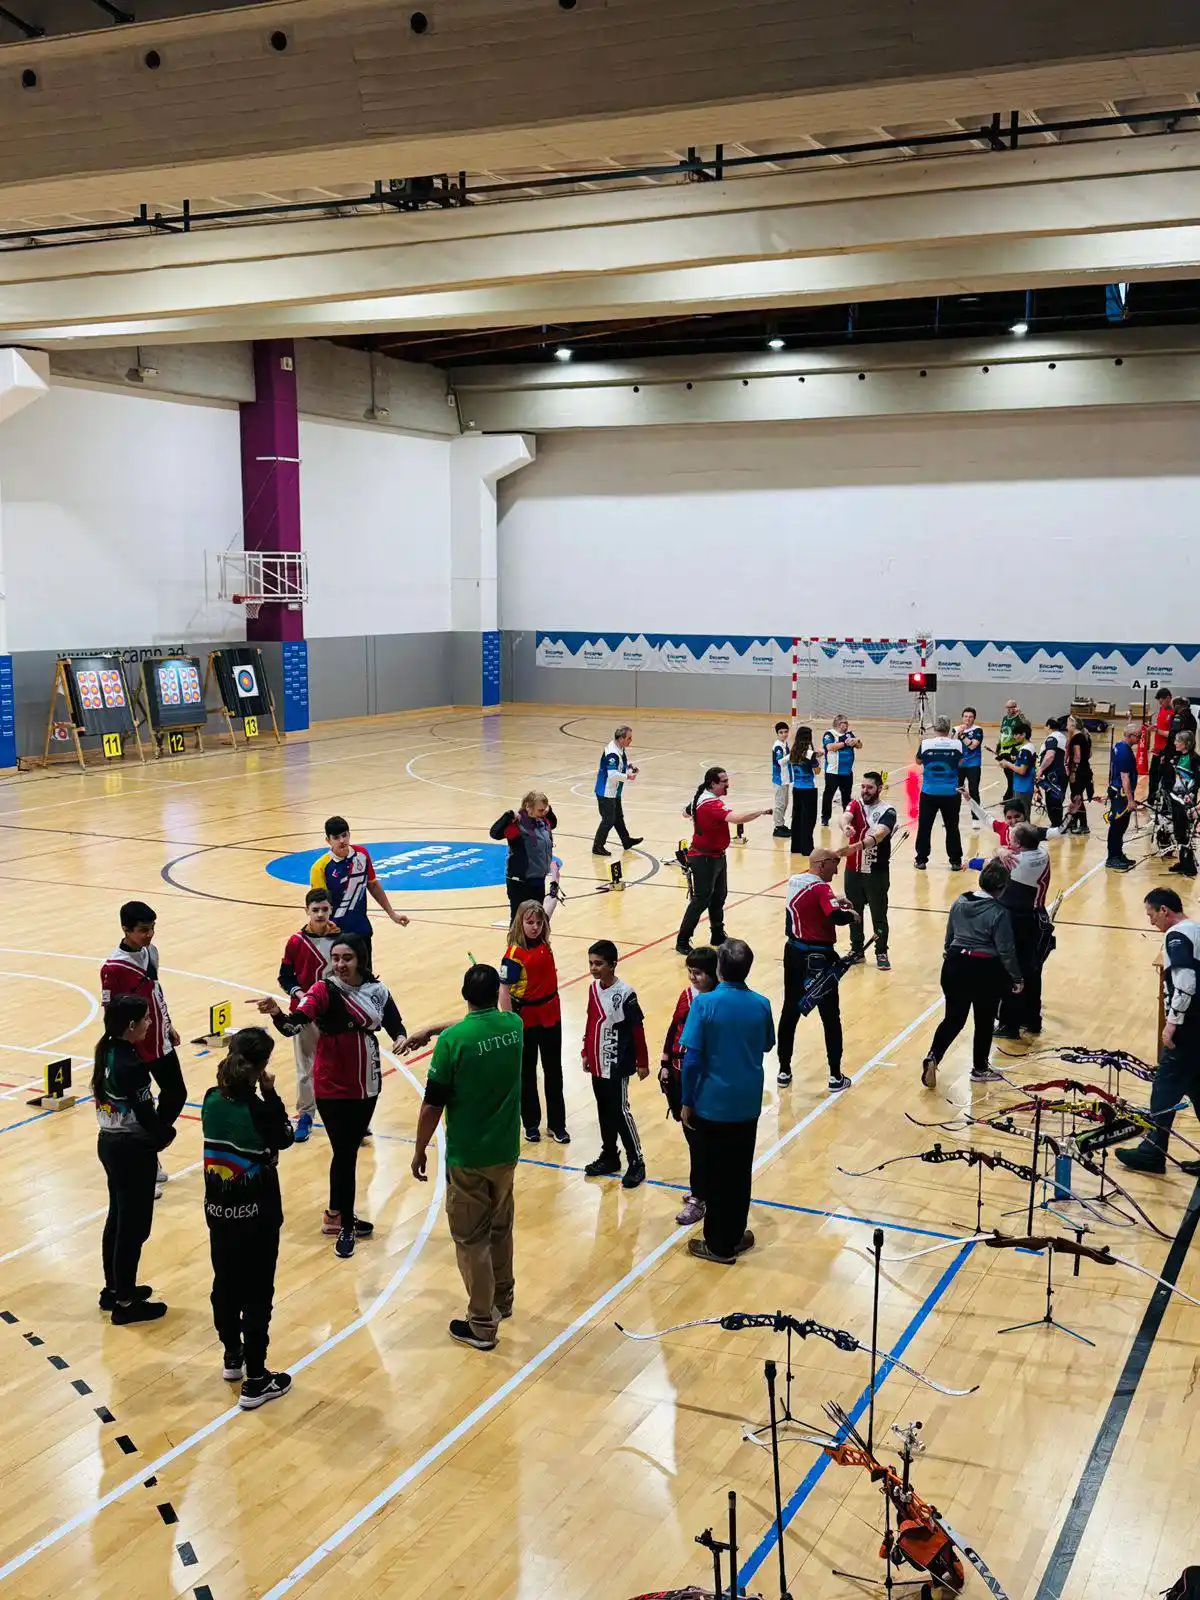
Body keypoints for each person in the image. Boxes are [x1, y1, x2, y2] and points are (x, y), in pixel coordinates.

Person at [254, 932, 405, 1259]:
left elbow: (395, 1022)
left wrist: (402, 1037)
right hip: (332, 1083)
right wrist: (277, 1013)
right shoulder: (323, 990)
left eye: (346, 958)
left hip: (368, 1081)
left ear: (361, 959)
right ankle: (345, 1223)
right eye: (335, 958)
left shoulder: (377, 989)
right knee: (346, 1152)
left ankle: (335, 1215)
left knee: (347, 1152)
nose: (339, 964)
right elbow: (292, 1027)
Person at [405, 964, 523, 1351]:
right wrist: (434, 1029)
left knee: (472, 1240)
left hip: (468, 1156)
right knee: (500, 1228)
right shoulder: (514, 1027)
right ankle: (502, 1300)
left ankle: (482, 1324)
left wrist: (420, 1149)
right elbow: (485, 1022)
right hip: (506, 1153)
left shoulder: (453, 1043)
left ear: (464, 994)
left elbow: (431, 1105)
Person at [202, 1026, 295, 1409]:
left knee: (225, 1285)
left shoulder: (210, 1100)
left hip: (219, 1211)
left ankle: (232, 1355)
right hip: (258, 1214)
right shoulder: (259, 1110)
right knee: (257, 1294)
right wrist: (271, 1093)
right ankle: (256, 1380)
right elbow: (285, 1136)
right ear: (261, 1067)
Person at [680, 940, 775, 1265]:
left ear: (719, 968)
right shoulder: (761, 1004)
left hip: (713, 1105)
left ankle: (719, 1246)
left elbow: (692, 1060)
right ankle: (734, 1234)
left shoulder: (704, 1005)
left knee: (716, 1175)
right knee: (739, 1173)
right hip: (747, 1104)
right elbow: (767, 1044)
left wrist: (687, 1100)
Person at [93, 995, 175, 1324]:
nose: (149, 1023)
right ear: (131, 1025)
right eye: (145, 1019)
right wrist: (165, 1135)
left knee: (118, 1218)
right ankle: (125, 1304)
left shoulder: (107, 1049)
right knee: (133, 1228)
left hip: (109, 1142)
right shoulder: (131, 1064)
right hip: (131, 1148)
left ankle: (114, 1289)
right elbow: (145, 1113)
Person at [101, 900, 184, 1190]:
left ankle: (149, 1150)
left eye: (152, 929)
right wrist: (122, 1045)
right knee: (140, 1107)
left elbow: (156, 991)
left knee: (176, 1094)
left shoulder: (152, 953)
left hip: (159, 1037)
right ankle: (142, 1162)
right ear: (125, 930)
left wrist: (168, 1024)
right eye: (143, 930)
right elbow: (111, 1012)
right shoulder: (113, 967)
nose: (149, 935)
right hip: (135, 1044)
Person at [1116, 888, 1200, 1175]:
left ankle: (1152, 1152)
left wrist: (1172, 1023)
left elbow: (1186, 982)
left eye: (1151, 915)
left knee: (1164, 1088)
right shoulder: (1195, 929)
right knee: (1198, 1087)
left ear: (1165, 910)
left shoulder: (1176, 936)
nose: (1151, 921)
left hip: (1189, 1027)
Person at [920, 859, 1022, 1089]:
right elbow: (1006, 950)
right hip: (985, 970)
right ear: (1002, 888)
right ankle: (979, 1069)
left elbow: (950, 934)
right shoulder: (999, 912)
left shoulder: (960, 901)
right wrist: (1016, 977)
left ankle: (934, 1055)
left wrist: (949, 951)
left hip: (955, 964)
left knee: (953, 1019)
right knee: (984, 1021)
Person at [776, 846, 857, 1092]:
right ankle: (835, 1076)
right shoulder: (822, 888)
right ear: (822, 864)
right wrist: (851, 915)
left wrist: (835, 901)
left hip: (793, 953)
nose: (837, 869)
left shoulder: (796, 881)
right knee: (830, 1016)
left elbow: (812, 904)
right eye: (835, 863)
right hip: (820, 958)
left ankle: (783, 1071)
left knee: (790, 1011)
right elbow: (835, 916)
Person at [675, 767, 771, 957]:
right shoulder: (710, 803)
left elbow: (685, 813)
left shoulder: (701, 798)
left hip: (716, 855)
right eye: (724, 781)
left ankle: (717, 935)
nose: (728, 784)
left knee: (719, 896)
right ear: (713, 784)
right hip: (704, 858)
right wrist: (759, 812)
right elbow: (736, 818)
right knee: (701, 900)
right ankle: (682, 940)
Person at [580, 940, 649, 1188]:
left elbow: (637, 1029)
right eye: (591, 963)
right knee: (603, 1109)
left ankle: (636, 1161)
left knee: (620, 1111)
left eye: (598, 963)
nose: (593, 968)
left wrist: (642, 1061)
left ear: (612, 965)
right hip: (597, 1061)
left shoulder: (626, 994)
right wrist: (585, 1051)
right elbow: (591, 1021)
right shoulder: (593, 990)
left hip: (617, 1062)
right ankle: (609, 1155)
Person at [659, 945, 719, 1226]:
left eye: (698, 973)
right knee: (691, 1135)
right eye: (690, 972)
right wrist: (664, 1062)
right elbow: (673, 1028)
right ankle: (703, 1189)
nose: (693, 978)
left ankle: (700, 1196)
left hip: (701, 1081)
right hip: (678, 1074)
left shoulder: (717, 1002)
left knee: (699, 1141)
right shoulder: (686, 996)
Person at [499, 899, 567, 1144]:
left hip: (551, 1015)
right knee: (527, 1073)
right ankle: (530, 1124)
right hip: (526, 1020)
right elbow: (504, 991)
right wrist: (510, 1024)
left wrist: (554, 883)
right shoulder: (513, 956)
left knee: (554, 1071)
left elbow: (549, 907)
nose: (535, 926)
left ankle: (557, 1125)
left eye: (539, 922)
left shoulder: (544, 941)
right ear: (520, 923)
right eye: (530, 922)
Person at [277, 887, 339, 1142]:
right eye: (315, 910)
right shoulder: (295, 942)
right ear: (307, 911)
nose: (320, 914)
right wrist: (301, 994)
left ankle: (345, 1116)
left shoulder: (342, 938)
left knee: (338, 1066)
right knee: (306, 1067)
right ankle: (305, 1115)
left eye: (324, 909)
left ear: (331, 909)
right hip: (303, 1012)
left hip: (334, 1012)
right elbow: (285, 977)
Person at [309, 815, 409, 966]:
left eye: (344, 835)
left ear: (349, 834)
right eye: (336, 837)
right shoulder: (320, 867)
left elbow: (373, 884)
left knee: (366, 975)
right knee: (339, 978)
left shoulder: (362, 854)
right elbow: (319, 907)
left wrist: (392, 914)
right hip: (335, 936)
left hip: (361, 930)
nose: (342, 840)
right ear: (328, 840)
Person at [993, 822, 1055, 1040]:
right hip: (1037, 920)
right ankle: (1032, 1020)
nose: (1008, 840)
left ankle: (1009, 1025)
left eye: (1011, 838)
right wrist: (1003, 850)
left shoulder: (1017, 862)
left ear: (1018, 844)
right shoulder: (1041, 853)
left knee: (1011, 971)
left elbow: (987, 868)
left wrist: (999, 852)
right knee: (1032, 972)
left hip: (1019, 922)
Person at [842, 771, 897, 972]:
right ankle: (856, 950)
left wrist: (856, 846)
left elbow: (880, 834)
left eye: (870, 787)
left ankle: (881, 951)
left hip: (876, 871)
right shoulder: (855, 804)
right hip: (853, 870)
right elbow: (845, 817)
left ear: (879, 789)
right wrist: (846, 827)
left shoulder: (888, 811)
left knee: (879, 914)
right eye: (863, 787)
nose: (865, 791)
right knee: (853, 912)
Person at [490, 791, 558, 917]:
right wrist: (508, 816)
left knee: (537, 918)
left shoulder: (543, 822)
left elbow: (553, 823)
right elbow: (495, 833)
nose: (543, 813)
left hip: (539, 880)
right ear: (528, 807)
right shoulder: (518, 825)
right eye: (541, 810)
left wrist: (548, 811)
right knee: (518, 920)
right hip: (520, 883)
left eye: (545, 810)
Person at [914, 716, 964, 870]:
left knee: (925, 826)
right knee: (952, 826)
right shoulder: (957, 744)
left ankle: (921, 860)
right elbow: (961, 762)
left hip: (929, 792)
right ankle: (955, 861)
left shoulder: (925, 744)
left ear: (935, 729)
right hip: (951, 793)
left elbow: (918, 761)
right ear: (949, 729)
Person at [592, 726, 643, 856]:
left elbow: (620, 765)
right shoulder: (612, 754)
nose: (631, 740)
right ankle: (597, 846)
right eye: (629, 738)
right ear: (621, 738)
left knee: (618, 817)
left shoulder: (619, 748)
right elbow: (612, 774)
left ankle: (626, 841)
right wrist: (628, 776)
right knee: (608, 820)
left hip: (614, 791)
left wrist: (629, 768)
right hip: (606, 792)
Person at [1106, 721, 1141, 872]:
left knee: (1122, 826)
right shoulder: (1125, 753)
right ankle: (1112, 857)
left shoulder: (1119, 746)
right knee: (1117, 826)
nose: (1140, 739)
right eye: (1138, 736)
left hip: (1118, 792)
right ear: (1130, 735)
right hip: (1121, 795)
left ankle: (1118, 854)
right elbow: (1124, 777)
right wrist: (1130, 801)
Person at [820, 714, 861, 827]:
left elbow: (859, 746)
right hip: (833, 772)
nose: (847, 725)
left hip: (847, 772)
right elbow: (829, 747)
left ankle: (847, 818)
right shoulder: (829, 734)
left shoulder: (849, 734)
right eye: (845, 723)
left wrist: (856, 742)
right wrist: (844, 743)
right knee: (829, 795)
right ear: (838, 724)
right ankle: (825, 818)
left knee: (846, 796)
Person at [1169, 730, 1199, 878]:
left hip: (1186, 801)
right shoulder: (1179, 756)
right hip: (1176, 798)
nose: (1175, 743)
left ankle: (1190, 866)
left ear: (1186, 744)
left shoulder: (1195, 759)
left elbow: (1197, 780)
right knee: (1178, 832)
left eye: (1178, 741)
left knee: (1185, 832)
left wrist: (1191, 795)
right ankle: (1183, 861)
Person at [789, 725, 821, 856]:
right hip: (808, 790)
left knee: (797, 818)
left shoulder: (793, 751)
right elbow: (817, 771)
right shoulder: (809, 753)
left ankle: (796, 846)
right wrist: (818, 758)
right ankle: (807, 848)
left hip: (796, 788)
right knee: (808, 820)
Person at [998, 720, 1036, 821]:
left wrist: (1007, 764)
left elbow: (1022, 771)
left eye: (1016, 734)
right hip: (1021, 786)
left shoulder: (1026, 750)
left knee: (1023, 816)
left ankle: (1025, 831)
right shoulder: (1029, 747)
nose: (1014, 737)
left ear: (1023, 734)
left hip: (1023, 788)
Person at [1037, 718, 1069, 829]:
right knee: (1058, 799)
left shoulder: (1052, 737)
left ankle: (1056, 826)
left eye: (1046, 726)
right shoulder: (1063, 737)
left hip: (1053, 775)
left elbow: (1050, 755)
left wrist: (1040, 769)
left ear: (1049, 726)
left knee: (1052, 800)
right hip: (1062, 773)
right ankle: (1058, 824)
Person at [1065, 714, 1094, 835]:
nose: (1066, 727)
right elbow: (1089, 754)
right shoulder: (1084, 737)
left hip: (1078, 771)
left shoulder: (1077, 738)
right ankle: (1074, 823)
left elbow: (1077, 757)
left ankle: (1083, 825)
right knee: (1077, 797)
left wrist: (1073, 771)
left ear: (1073, 725)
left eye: (1068, 724)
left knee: (1076, 798)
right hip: (1085, 770)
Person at [1149, 687, 1176, 802]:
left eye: (1162, 701)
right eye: (1159, 702)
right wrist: (1154, 726)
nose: (1161, 704)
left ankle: (1165, 803)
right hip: (1157, 748)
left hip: (1167, 750)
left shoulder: (1174, 713)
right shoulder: (1162, 709)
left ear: (1168, 698)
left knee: (1165, 777)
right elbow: (1160, 724)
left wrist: (1157, 731)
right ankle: (1151, 799)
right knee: (1153, 774)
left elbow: (1172, 734)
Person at [956, 707, 984, 808]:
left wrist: (962, 736)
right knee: (957, 790)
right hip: (959, 765)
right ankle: (954, 814)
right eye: (965, 716)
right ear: (962, 717)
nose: (968, 719)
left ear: (974, 718)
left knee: (974, 791)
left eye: (970, 717)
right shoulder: (955, 729)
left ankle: (976, 815)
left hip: (973, 764)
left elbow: (972, 746)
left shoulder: (977, 730)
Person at [997, 700, 1023, 801]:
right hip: (1004, 750)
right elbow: (1002, 733)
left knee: (1012, 774)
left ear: (1015, 707)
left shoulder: (1019, 719)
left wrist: (1021, 715)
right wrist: (999, 746)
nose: (1008, 709)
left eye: (1011, 707)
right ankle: (1010, 795)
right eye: (1007, 707)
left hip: (1014, 750)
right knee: (1008, 773)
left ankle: (1010, 796)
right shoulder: (1005, 719)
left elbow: (1027, 727)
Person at [770, 720, 792, 837]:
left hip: (785, 778)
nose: (784, 734)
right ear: (777, 733)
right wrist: (791, 755)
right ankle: (777, 827)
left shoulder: (785, 744)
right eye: (781, 732)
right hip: (780, 779)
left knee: (785, 803)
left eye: (786, 732)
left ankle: (781, 824)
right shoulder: (778, 746)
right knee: (780, 804)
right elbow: (780, 762)